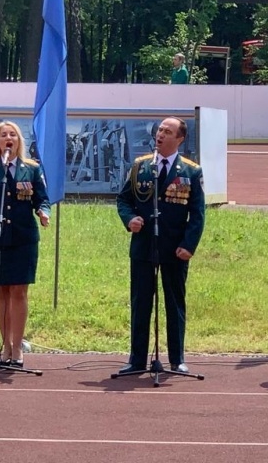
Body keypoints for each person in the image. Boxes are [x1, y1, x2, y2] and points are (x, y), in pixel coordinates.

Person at [116, 117, 205, 374]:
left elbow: (197, 214)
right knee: (141, 301)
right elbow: (123, 200)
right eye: (160, 131)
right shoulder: (141, 166)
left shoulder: (191, 171)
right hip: (144, 245)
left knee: (174, 302)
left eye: (168, 131)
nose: (161, 135)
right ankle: (137, 359)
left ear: (180, 138)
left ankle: (177, 359)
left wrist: (189, 245)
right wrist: (129, 218)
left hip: (175, 248)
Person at [0, 120, 50, 367]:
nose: (8, 138)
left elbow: (42, 199)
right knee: (2, 292)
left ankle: (17, 348)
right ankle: (4, 347)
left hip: (24, 239)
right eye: (3, 135)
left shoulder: (32, 168)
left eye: (13, 135)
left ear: (19, 141)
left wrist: (43, 212)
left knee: (19, 291)